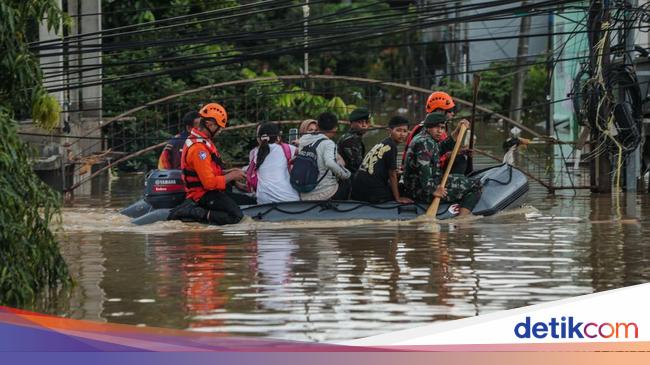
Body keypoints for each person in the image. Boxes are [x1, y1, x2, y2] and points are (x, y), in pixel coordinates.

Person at [168, 102, 247, 225]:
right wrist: (231, 176)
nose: (220, 131)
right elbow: (209, 183)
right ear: (209, 124)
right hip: (202, 195)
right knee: (235, 216)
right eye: (218, 127)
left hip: (207, 191)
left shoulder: (202, 141)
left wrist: (232, 174)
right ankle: (193, 212)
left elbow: (210, 171)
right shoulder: (199, 149)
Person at [402, 113, 481, 217]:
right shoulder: (424, 143)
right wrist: (434, 189)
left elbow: (440, 149)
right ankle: (462, 220)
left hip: (417, 186)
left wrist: (457, 132)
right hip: (421, 191)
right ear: (428, 127)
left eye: (442, 128)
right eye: (436, 127)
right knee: (476, 185)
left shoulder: (424, 137)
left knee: (461, 177)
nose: (440, 131)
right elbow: (424, 170)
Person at [351, 116, 414, 204]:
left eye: (405, 131)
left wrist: (396, 173)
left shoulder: (383, 142)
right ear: (390, 131)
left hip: (358, 188)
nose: (402, 134)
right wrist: (398, 198)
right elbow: (392, 175)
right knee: (402, 189)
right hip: (371, 192)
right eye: (398, 130)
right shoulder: (391, 146)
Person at [402, 91, 467, 173]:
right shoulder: (425, 132)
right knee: (460, 159)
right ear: (440, 111)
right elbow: (428, 161)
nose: (453, 113)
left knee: (461, 157)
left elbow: (439, 150)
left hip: (430, 169)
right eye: (450, 110)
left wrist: (460, 150)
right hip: (422, 175)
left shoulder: (435, 128)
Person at [298, 112, 351, 201]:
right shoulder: (328, 143)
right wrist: (345, 175)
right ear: (335, 129)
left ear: (317, 126)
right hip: (323, 194)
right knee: (347, 181)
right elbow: (330, 163)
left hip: (304, 193)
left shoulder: (303, 139)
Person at [248, 122, 299, 204]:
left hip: (263, 200)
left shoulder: (255, 153)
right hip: (288, 198)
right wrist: (300, 143)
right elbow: (304, 153)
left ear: (260, 138)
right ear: (278, 137)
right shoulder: (286, 148)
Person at [338, 107, 371, 174]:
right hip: (348, 179)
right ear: (352, 124)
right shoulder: (350, 140)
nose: (364, 125)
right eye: (360, 122)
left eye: (366, 122)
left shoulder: (355, 138)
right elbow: (357, 165)